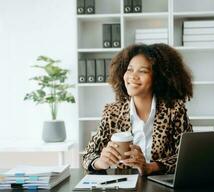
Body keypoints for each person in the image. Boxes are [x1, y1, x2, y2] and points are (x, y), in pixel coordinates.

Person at [82, 43, 193, 176]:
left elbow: (187, 157)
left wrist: (149, 167)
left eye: (143, 71)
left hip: (161, 189)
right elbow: (88, 155)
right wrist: (100, 162)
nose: (133, 76)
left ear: (158, 78)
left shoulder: (174, 110)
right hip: (123, 188)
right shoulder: (112, 112)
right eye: (129, 69)